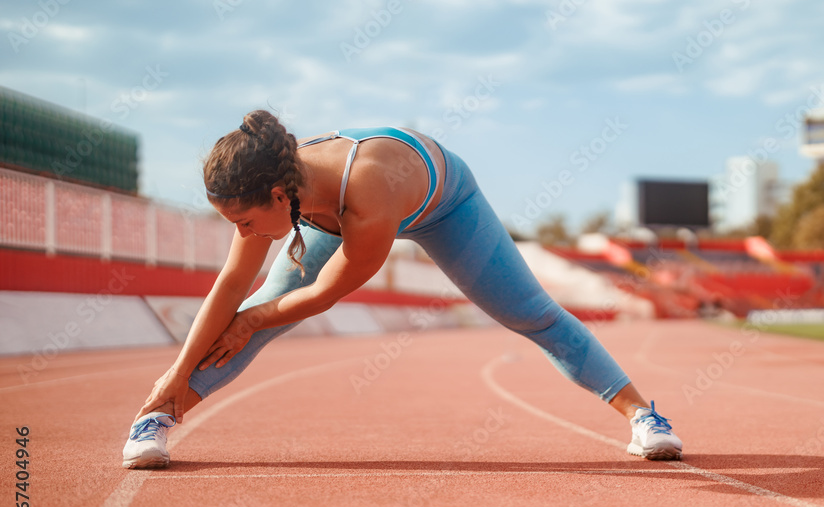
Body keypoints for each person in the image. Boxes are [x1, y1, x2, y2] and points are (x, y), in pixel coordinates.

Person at [123, 110, 683, 468]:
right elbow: (231, 284)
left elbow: (324, 294)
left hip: (445, 204)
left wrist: (252, 318)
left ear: (277, 196)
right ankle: (159, 418)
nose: (240, 235)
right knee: (248, 313)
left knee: (531, 313)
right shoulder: (276, 195)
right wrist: (178, 369)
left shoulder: (365, 189)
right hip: (331, 213)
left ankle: (643, 417)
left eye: (242, 223)